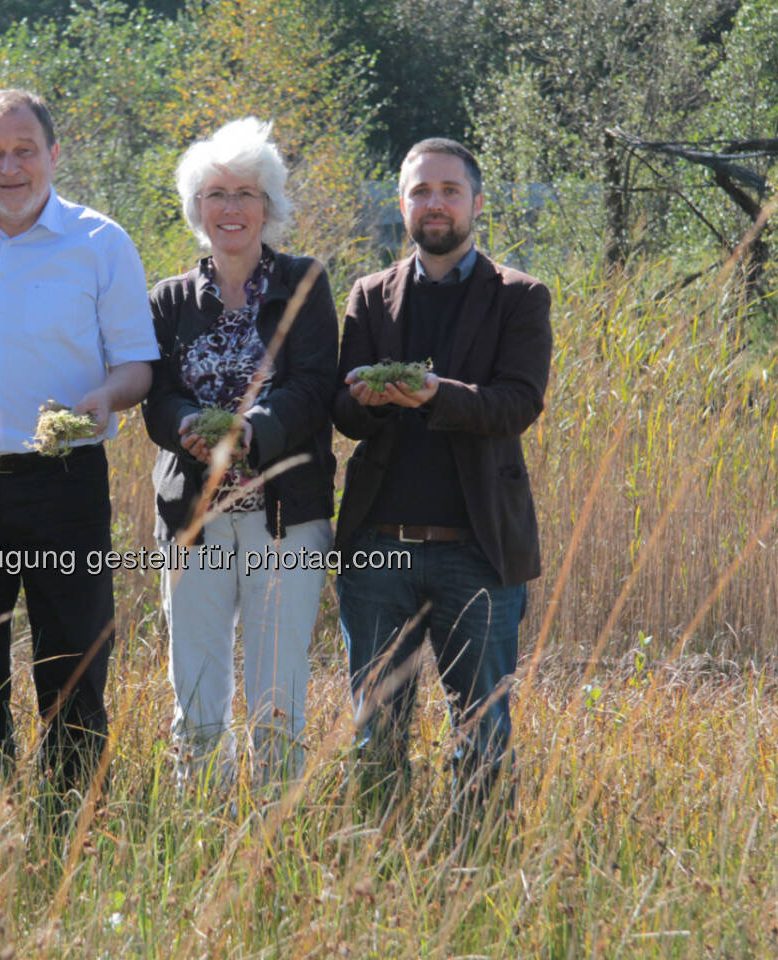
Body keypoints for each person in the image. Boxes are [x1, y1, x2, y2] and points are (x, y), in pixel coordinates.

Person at [0, 89, 157, 797]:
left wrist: (107, 397)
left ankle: (70, 812)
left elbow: (136, 363)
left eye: (24, 151)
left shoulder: (101, 242)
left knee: (73, 656)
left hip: (64, 477)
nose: (9, 167)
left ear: (53, 155)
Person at [332, 137, 552, 817]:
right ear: (402, 203)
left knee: (482, 730)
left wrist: (435, 394)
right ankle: (379, 858)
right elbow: (341, 413)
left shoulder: (520, 296)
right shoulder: (370, 296)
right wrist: (365, 400)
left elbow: (519, 403)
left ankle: (475, 865)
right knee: (376, 731)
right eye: (421, 191)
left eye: (449, 191)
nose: (435, 203)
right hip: (378, 550)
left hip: (477, 551)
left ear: (477, 203)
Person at [142, 118, 337, 788]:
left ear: (269, 206)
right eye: (216, 193)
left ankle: (274, 843)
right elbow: (157, 396)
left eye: (246, 193)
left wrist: (252, 430)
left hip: (283, 520)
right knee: (195, 701)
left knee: (277, 700)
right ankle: (197, 837)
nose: (231, 208)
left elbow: (316, 386)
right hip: (193, 523)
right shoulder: (169, 299)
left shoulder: (305, 282)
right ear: (197, 207)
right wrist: (188, 424)